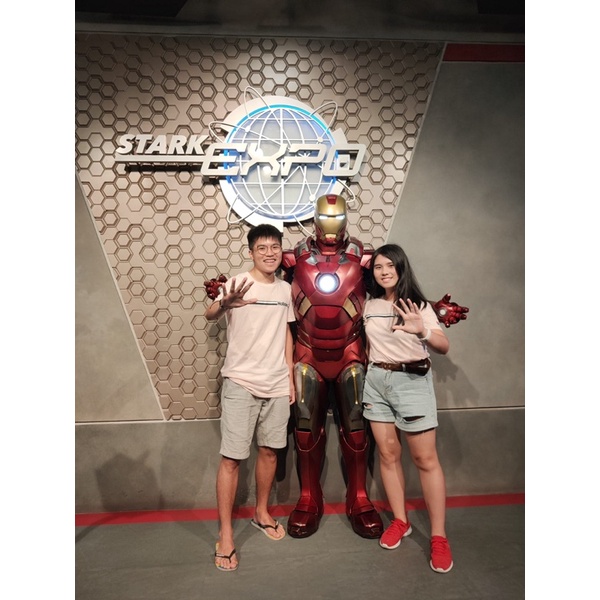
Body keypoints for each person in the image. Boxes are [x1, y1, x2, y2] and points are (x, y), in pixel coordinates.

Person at [280, 194, 468, 540]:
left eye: (337, 219)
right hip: (307, 353)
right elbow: (272, 287)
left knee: (356, 429)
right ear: (315, 220)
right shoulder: (293, 257)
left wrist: (432, 311)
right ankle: (308, 497)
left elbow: (396, 293)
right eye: (325, 219)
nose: (331, 228)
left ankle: (359, 497)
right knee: (305, 429)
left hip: (352, 354)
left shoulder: (364, 258)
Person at [205, 223, 296, 572]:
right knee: (232, 458)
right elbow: (210, 313)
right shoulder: (236, 283)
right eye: (262, 248)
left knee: (270, 451)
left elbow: (286, 332)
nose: (269, 253)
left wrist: (289, 377)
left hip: (277, 383)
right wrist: (223, 304)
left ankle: (261, 512)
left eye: (275, 247)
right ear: (251, 252)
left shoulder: (286, 289)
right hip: (241, 382)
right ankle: (226, 535)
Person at [362, 243, 454, 573]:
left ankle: (439, 537)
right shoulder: (369, 305)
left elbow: (443, 346)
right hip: (376, 381)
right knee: (388, 454)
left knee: (425, 459)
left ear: (401, 268)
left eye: (390, 265)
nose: (384, 271)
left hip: (411, 381)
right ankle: (401, 521)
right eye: (378, 267)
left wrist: (423, 331)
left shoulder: (417, 305)